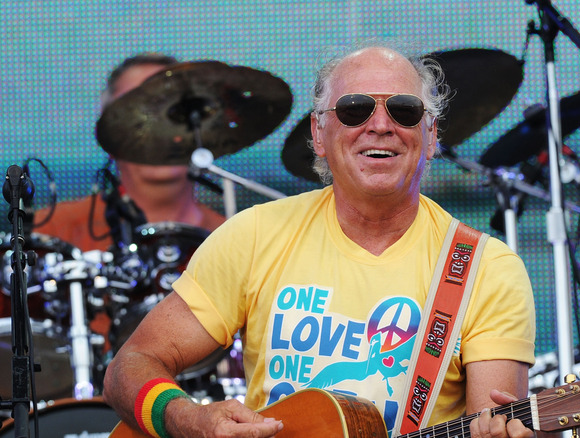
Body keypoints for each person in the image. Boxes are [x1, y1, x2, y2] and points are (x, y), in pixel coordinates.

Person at [102, 44, 536, 438]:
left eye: (404, 110)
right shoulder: (254, 235)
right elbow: (129, 366)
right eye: (354, 109)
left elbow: (493, 424)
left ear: (431, 135)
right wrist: (191, 420)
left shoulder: (486, 268)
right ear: (318, 134)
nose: (381, 125)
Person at [33, 53, 226, 252]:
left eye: (175, 111)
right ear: (108, 135)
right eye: (137, 111)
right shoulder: (47, 232)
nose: (158, 127)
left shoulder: (237, 244)